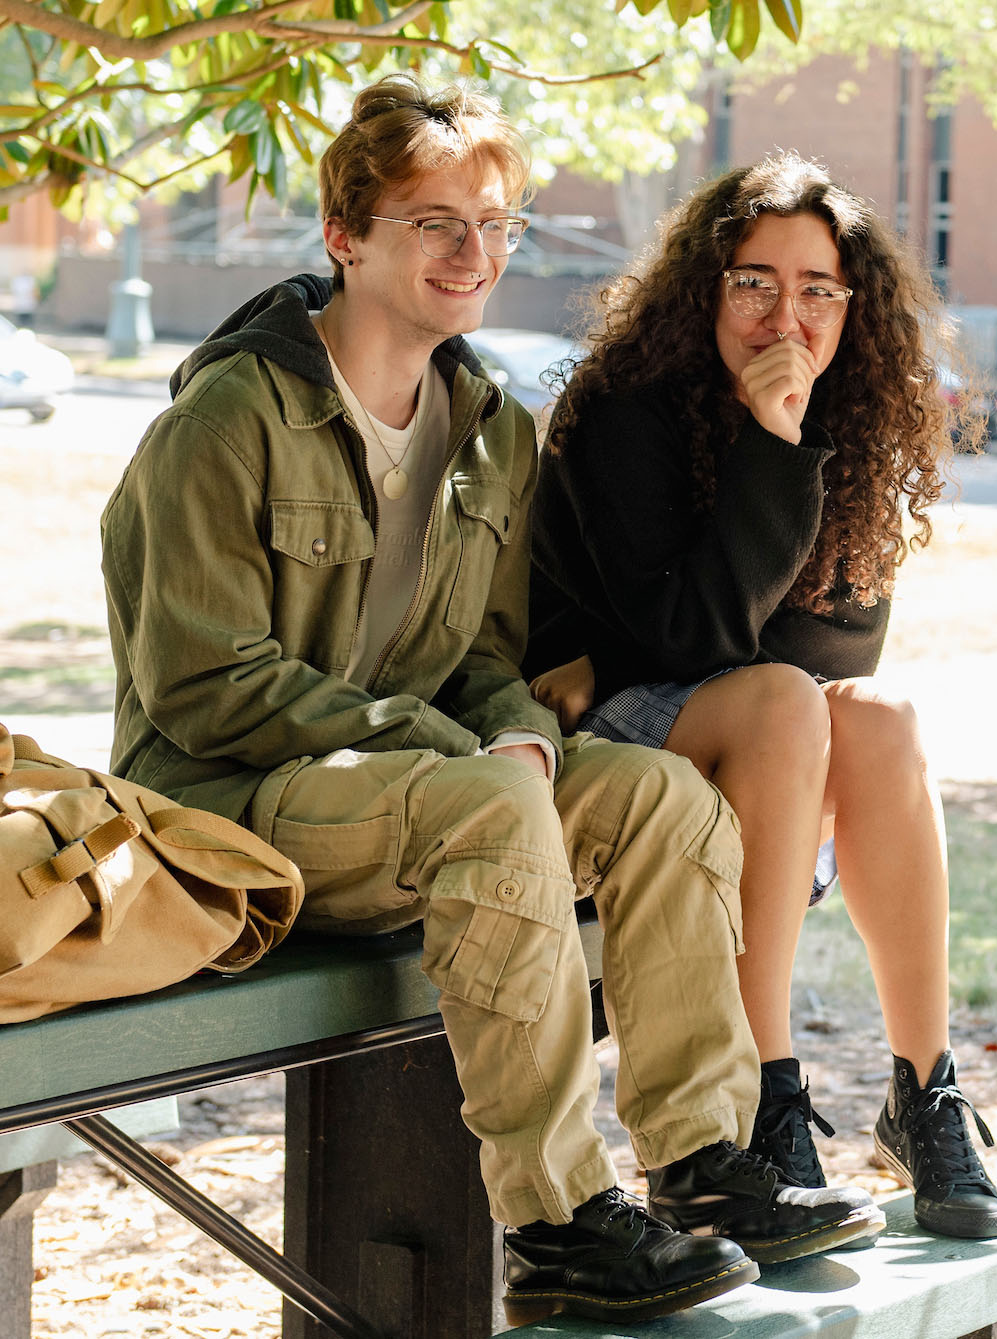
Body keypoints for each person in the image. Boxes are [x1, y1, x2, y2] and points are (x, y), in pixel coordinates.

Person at [100, 82, 886, 1327]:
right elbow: (204, 685)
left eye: (496, 224)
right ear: (345, 235)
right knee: (488, 802)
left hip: (412, 794)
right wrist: (468, 751)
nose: (474, 254)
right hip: (229, 805)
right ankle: (559, 1218)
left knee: (660, 795)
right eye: (435, 223)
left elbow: (476, 657)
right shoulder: (231, 416)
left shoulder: (487, 432)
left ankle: (703, 1165)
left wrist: (514, 725)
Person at [526, 152, 997, 1241]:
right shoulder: (625, 412)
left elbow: (850, 641)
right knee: (789, 700)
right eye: (754, 281)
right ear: (708, 286)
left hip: (748, 731)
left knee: (879, 720)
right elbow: (688, 638)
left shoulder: (861, 413)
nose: (783, 313)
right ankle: (763, 1097)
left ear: (852, 304)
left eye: (816, 289)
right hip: (603, 744)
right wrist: (771, 444)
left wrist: (785, 461)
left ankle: (923, 1095)